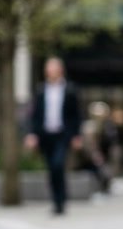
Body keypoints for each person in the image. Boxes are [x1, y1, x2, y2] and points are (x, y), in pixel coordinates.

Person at [24, 57, 81, 215]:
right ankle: (56, 201)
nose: (50, 72)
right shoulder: (41, 90)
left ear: (60, 70)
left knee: (58, 165)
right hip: (46, 135)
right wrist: (32, 134)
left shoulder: (69, 90)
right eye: (48, 69)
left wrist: (76, 135)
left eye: (53, 68)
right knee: (51, 169)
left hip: (62, 135)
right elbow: (35, 115)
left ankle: (61, 200)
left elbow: (76, 115)